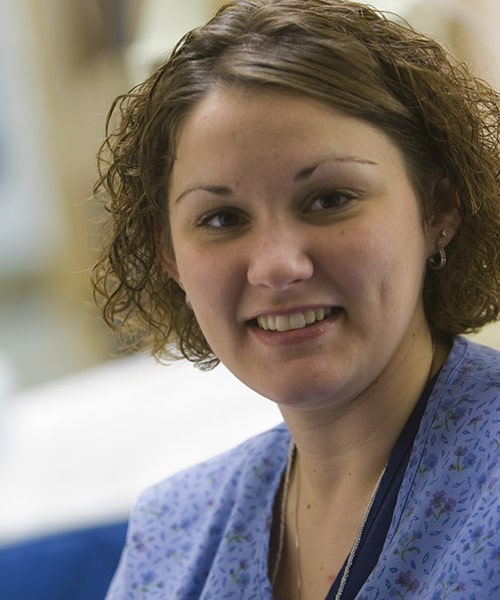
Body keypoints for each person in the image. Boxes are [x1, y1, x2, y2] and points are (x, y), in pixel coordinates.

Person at [92, 1, 500, 598]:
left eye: (330, 199)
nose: (278, 265)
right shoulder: (174, 533)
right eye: (223, 217)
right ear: (169, 254)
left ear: (437, 207)